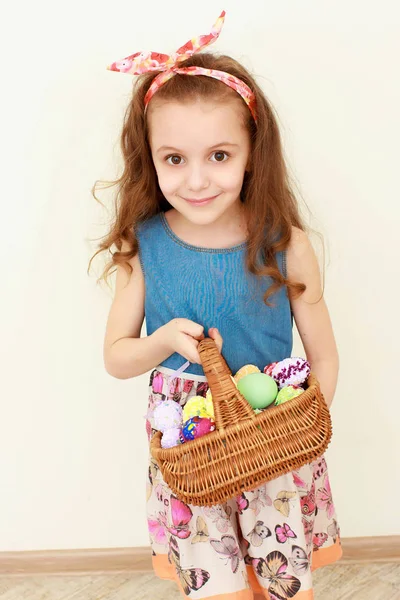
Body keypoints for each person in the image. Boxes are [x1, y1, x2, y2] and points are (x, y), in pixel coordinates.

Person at [92, 11, 342, 600]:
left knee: (279, 584)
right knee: (216, 587)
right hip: (192, 450)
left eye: (220, 156)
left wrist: (293, 433)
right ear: (150, 157)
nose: (197, 180)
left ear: (252, 152)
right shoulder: (145, 244)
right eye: (174, 158)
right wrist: (160, 342)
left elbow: (324, 357)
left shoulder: (285, 243)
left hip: (273, 437)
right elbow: (117, 357)